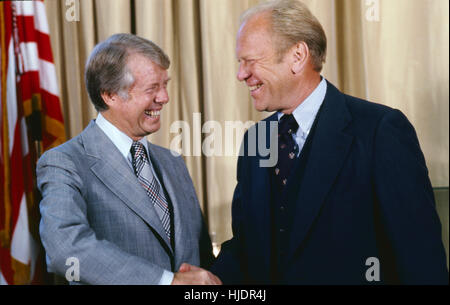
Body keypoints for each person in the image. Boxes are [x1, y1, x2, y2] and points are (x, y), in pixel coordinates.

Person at [210, 0, 448, 284]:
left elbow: (420, 258)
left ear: (297, 56)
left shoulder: (379, 131)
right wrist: (203, 280)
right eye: (240, 63)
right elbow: (248, 247)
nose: (241, 74)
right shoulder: (256, 140)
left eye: (250, 61)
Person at [37, 33, 221, 285]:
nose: (164, 97)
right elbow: (66, 249)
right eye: (152, 88)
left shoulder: (172, 161)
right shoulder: (65, 162)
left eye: (165, 84)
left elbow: (201, 257)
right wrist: (167, 281)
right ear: (110, 95)